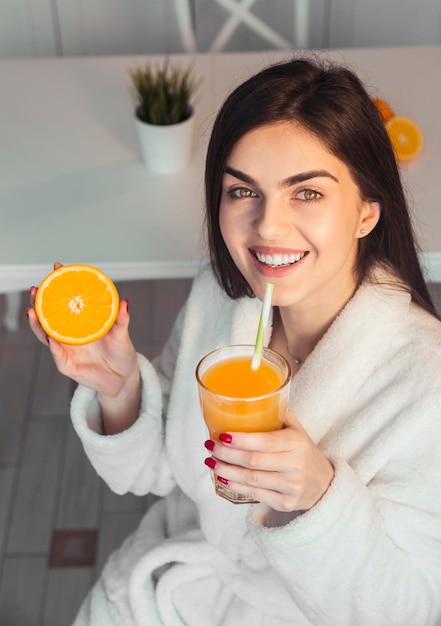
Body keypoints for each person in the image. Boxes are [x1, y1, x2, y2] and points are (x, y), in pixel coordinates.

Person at [28, 55, 441, 626]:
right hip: (184, 586)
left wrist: (316, 499)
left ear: (367, 211)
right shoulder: (222, 299)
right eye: (242, 191)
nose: (268, 227)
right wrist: (120, 389)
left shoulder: (426, 383)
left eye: (309, 194)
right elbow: (161, 471)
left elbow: (411, 610)